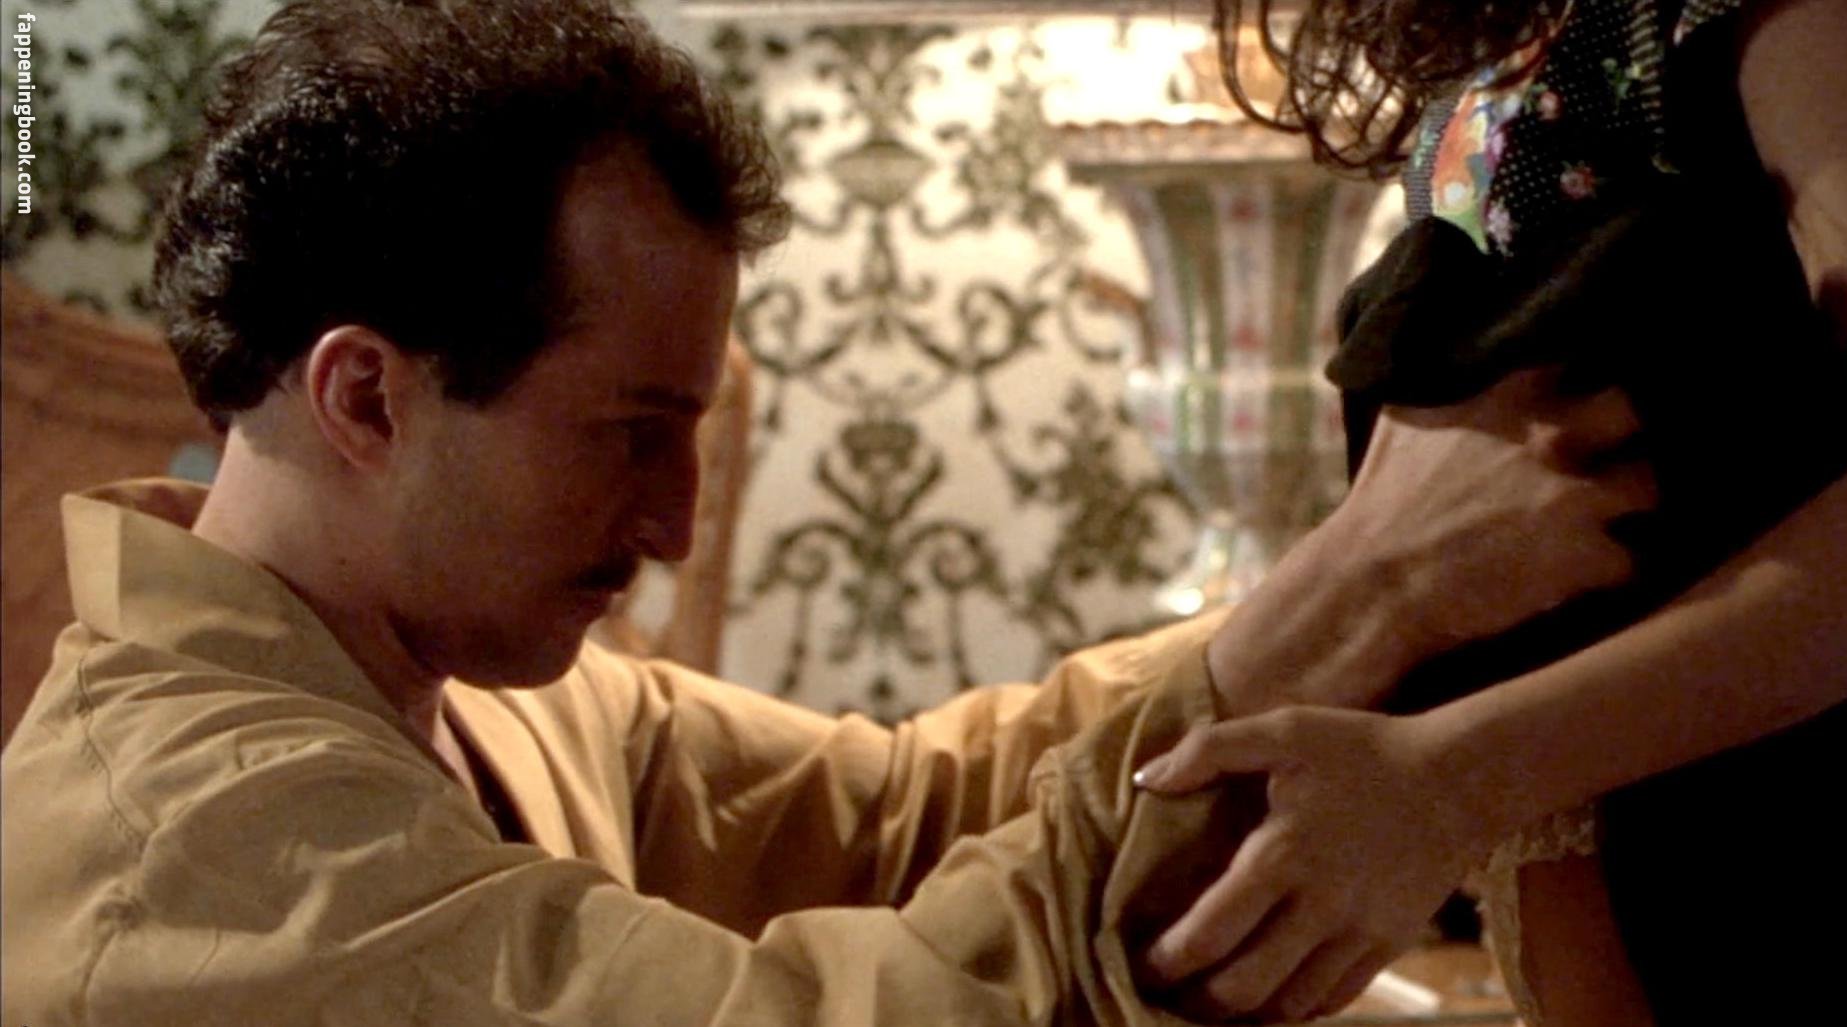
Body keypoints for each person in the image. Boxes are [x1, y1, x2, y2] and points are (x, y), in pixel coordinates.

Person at [0, 0, 1660, 1024]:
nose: (675, 521)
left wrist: (1350, 594)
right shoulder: (204, 858)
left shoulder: (468, 683)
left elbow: (909, 814)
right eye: (631, 433)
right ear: (365, 395)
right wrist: (1359, 594)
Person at [1131, 0, 1847, 1023]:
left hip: (1789, 878)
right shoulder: (1520, 39)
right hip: (1590, 899)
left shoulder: (1792, 18)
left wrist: (1453, 778)